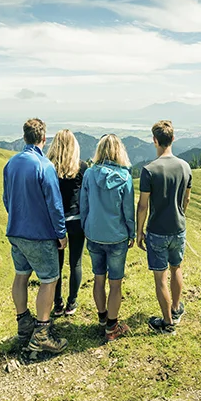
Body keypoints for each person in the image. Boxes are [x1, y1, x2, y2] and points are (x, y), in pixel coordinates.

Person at [2, 118, 68, 354]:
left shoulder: (11, 163)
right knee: (49, 280)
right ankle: (41, 334)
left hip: (15, 230)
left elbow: (6, 199)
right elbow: (54, 204)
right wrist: (61, 233)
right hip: (38, 234)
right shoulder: (44, 165)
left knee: (20, 276)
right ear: (43, 138)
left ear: (24, 137)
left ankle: (23, 325)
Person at [137, 120, 192, 334]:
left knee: (160, 277)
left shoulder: (149, 170)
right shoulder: (185, 166)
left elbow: (143, 205)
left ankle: (168, 323)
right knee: (176, 268)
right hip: (178, 227)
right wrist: (180, 215)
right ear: (173, 139)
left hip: (157, 230)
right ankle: (176, 309)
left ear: (155, 141)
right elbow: (187, 200)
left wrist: (139, 232)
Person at [80, 135, 135, 343]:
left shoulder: (89, 174)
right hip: (117, 236)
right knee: (115, 283)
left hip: (94, 234)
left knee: (98, 278)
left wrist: (86, 226)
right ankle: (112, 327)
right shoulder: (125, 177)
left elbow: (83, 205)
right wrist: (132, 233)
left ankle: (102, 319)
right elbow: (127, 210)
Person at [46, 130, 88, 317]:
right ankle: (72, 302)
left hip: (55, 222)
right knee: (76, 263)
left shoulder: (48, 167)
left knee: (57, 265)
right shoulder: (81, 167)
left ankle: (57, 304)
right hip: (77, 220)